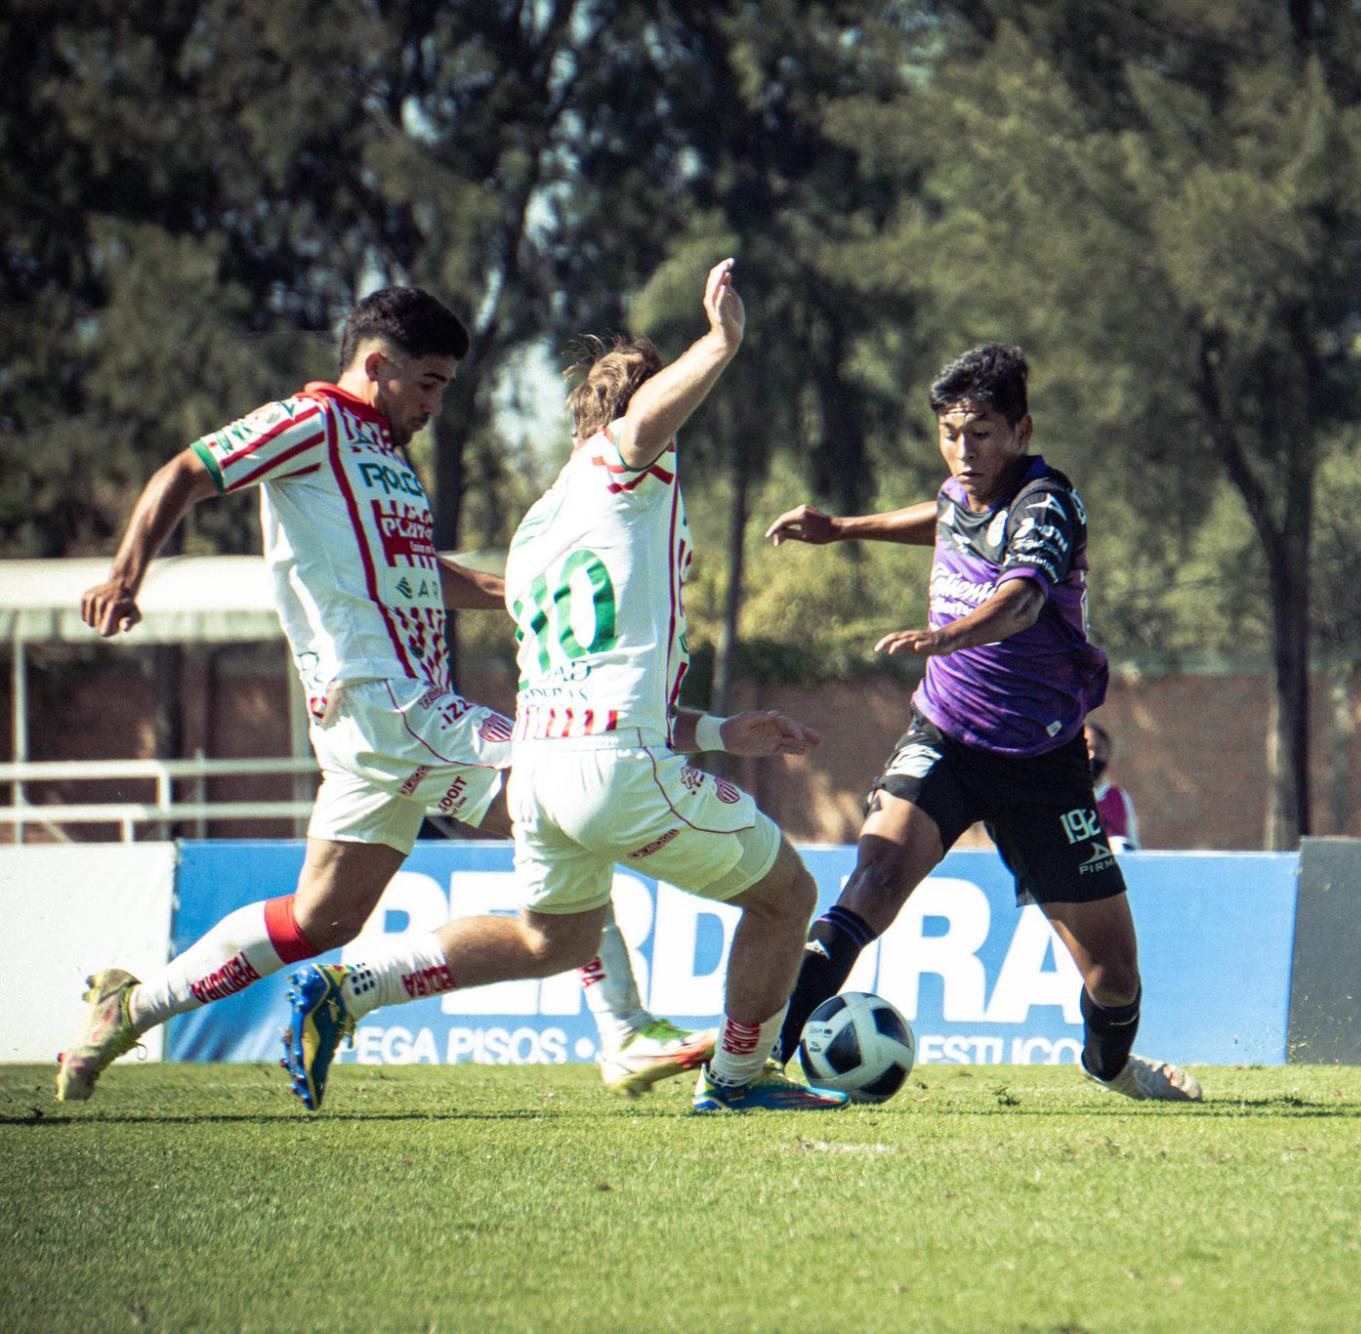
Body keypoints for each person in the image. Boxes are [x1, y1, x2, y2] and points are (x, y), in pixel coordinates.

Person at [55, 287, 703, 1103]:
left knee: (322, 918)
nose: (434, 404)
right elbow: (189, 469)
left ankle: (131, 1005)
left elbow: (415, 576)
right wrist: (126, 571)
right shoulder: (314, 421)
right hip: (387, 701)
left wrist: (524, 591)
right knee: (568, 788)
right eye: (427, 384)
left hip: (384, 720)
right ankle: (625, 1031)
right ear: (377, 365)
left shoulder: (385, 456)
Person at [282, 258, 847, 1113]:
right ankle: (737, 1080)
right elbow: (644, 422)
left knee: (552, 938)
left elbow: (603, 677)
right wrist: (721, 342)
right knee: (788, 897)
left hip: (545, 769)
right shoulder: (625, 466)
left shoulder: (541, 524)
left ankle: (350, 988)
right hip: (613, 767)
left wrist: (726, 732)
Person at [763, 343, 1201, 1101]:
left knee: (1116, 980)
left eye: (984, 433)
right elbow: (941, 518)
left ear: (1022, 431)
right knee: (872, 879)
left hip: (1043, 764)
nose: (965, 452)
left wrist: (948, 636)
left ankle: (1109, 1066)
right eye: (952, 433)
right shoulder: (960, 490)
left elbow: (1024, 600)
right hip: (946, 738)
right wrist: (841, 528)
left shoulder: (1047, 506)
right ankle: (758, 1057)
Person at [1085, 722, 1141, 853]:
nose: (1092, 756)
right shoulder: (1064, 797)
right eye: (1086, 749)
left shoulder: (1119, 797)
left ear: (1108, 753)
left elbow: (1133, 843)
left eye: (1098, 750)